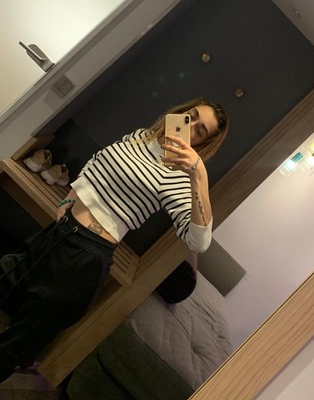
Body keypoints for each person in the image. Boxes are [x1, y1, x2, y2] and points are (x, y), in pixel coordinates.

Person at [0, 98, 229, 383]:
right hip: (60, 232)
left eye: (200, 130)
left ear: (201, 144)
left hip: (84, 257)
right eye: (191, 116)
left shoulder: (180, 179)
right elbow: (98, 161)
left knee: (20, 340)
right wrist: (70, 197)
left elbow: (199, 242)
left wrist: (199, 176)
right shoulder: (141, 137)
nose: (190, 126)